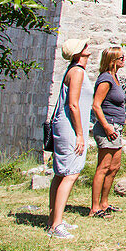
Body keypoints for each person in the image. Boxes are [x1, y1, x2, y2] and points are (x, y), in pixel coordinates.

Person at [47, 37, 93, 238]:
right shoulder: (78, 72)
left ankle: (53, 220)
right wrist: (80, 134)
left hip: (65, 125)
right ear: (78, 53)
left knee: (60, 173)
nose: (88, 49)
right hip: (70, 127)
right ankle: (56, 225)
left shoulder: (72, 70)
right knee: (70, 173)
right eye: (84, 47)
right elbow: (73, 104)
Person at [89, 45, 126, 218]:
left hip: (116, 128)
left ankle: (104, 203)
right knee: (103, 167)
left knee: (114, 167)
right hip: (108, 127)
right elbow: (96, 105)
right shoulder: (105, 79)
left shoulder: (115, 77)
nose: (123, 60)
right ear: (112, 60)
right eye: (120, 58)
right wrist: (105, 126)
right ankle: (94, 207)